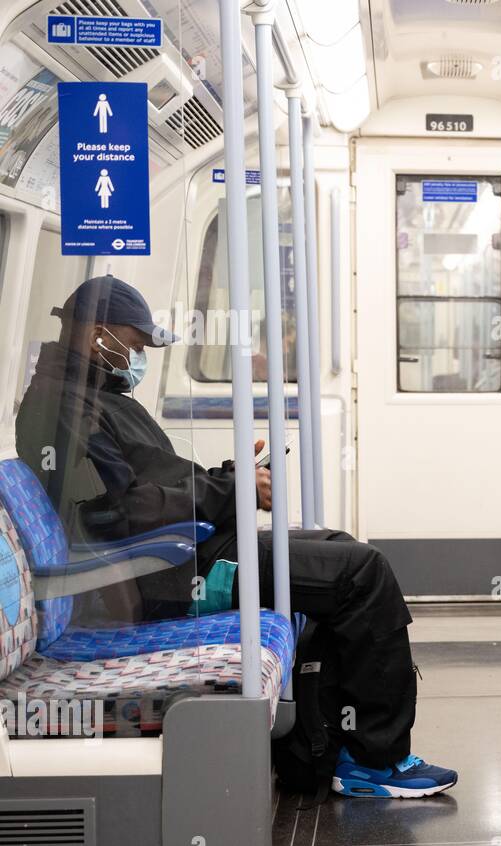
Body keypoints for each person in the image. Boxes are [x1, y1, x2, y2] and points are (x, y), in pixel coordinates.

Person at [16, 276, 456, 800]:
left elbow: (157, 482)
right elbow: (120, 514)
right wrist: (234, 490)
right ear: (96, 335)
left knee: (341, 544)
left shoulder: (98, 397)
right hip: (162, 571)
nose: (136, 359)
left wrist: (230, 475)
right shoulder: (63, 410)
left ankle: (340, 739)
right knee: (362, 572)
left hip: (186, 543)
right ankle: (375, 760)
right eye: (132, 346)